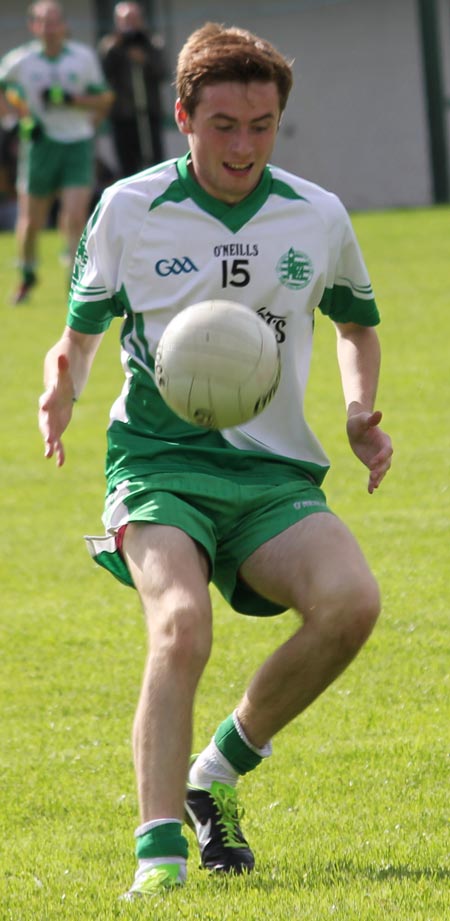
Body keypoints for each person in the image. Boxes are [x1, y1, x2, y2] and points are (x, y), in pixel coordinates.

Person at [38, 22, 393, 900]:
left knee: (352, 603)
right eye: (224, 123)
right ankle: (158, 857)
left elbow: (356, 322)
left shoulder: (316, 212)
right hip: (158, 464)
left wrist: (357, 410)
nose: (243, 144)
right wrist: (61, 390)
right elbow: (80, 336)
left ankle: (218, 771)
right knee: (181, 624)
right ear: (183, 115)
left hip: (273, 473)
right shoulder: (129, 209)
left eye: (262, 124)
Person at [0, 1, 114, 304]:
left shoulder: (82, 58)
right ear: (32, 26)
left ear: (63, 25)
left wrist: (72, 100)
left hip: (77, 143)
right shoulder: (21, 61)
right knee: (32, 220)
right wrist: (18, 119)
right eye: (42, 22)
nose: (48, 28)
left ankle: (74, 281)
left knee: (75, 216)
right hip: (40, 146)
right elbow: (5, 90)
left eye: (53, 21)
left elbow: (104, 99)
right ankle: (26, 276)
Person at [98, 1, 167, 178]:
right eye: (126, 19)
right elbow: (104, 73)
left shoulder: (152, 42)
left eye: (134, 18)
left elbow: (163, 72)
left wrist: (144, 61)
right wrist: (117, 46)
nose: (130, 23)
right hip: (122, 114)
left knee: (154, 160)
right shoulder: (111, 45)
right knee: (126, 164)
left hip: (148, 112)